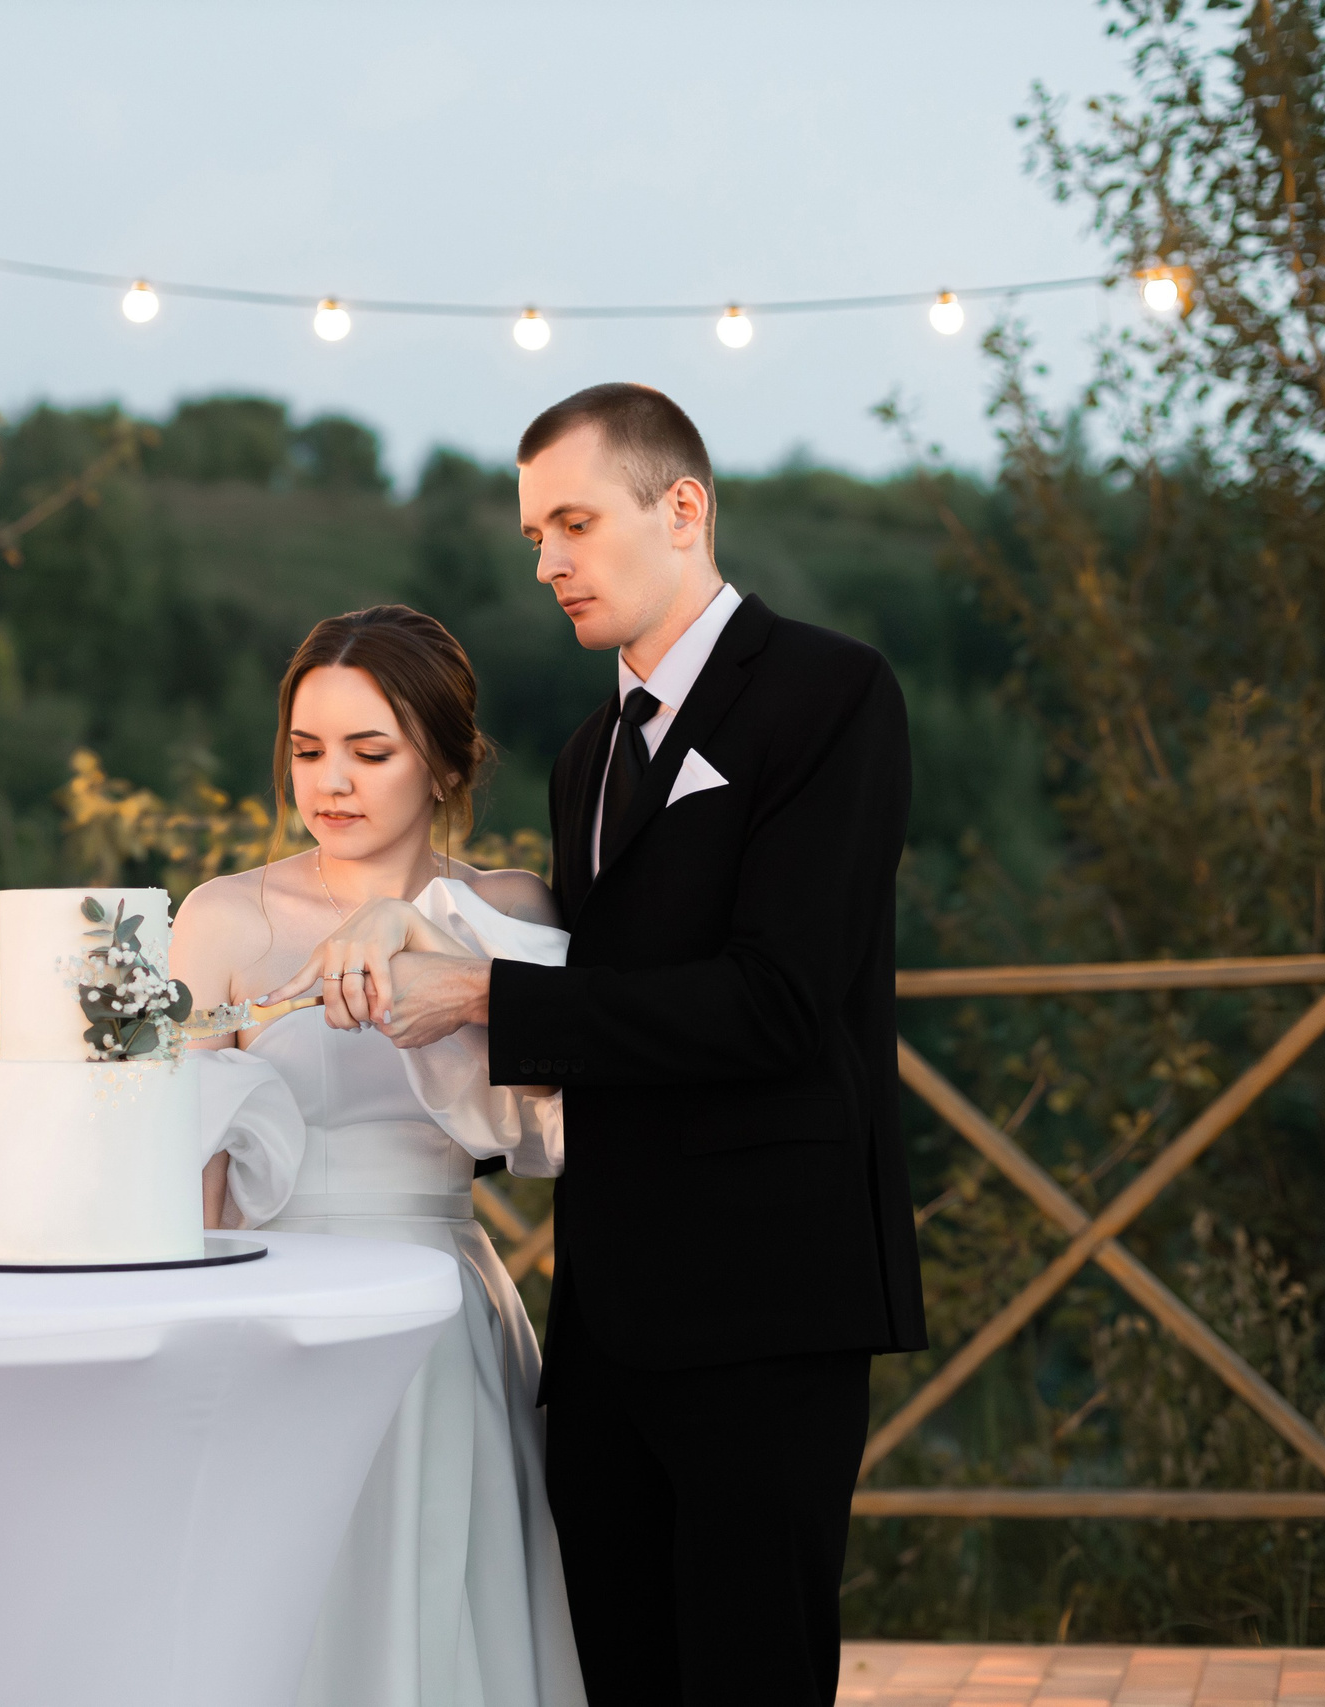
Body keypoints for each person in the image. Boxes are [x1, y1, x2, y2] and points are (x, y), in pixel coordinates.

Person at [265, 384, 927, 1707]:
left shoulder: (830, 690)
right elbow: (604, 989)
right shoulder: (587, 755)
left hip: (770, 1296)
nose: (549, 560)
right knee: (615, 1666)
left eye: (573, 521)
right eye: (532, 535)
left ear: (682, 507)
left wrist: (487, 1001)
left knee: (748, 1671)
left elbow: (781, 999)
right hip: (609, 1311)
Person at [170, 605, 587, 1707]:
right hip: (264, 1319)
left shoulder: (510, 909)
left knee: (440, 1614)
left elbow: (557, 1096)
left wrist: (430, 941)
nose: (330, 783)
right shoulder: (222, 919)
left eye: (369, 750)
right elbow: (187, 1180)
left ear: (445, 761)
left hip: (433, 1311)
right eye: (308, 751)